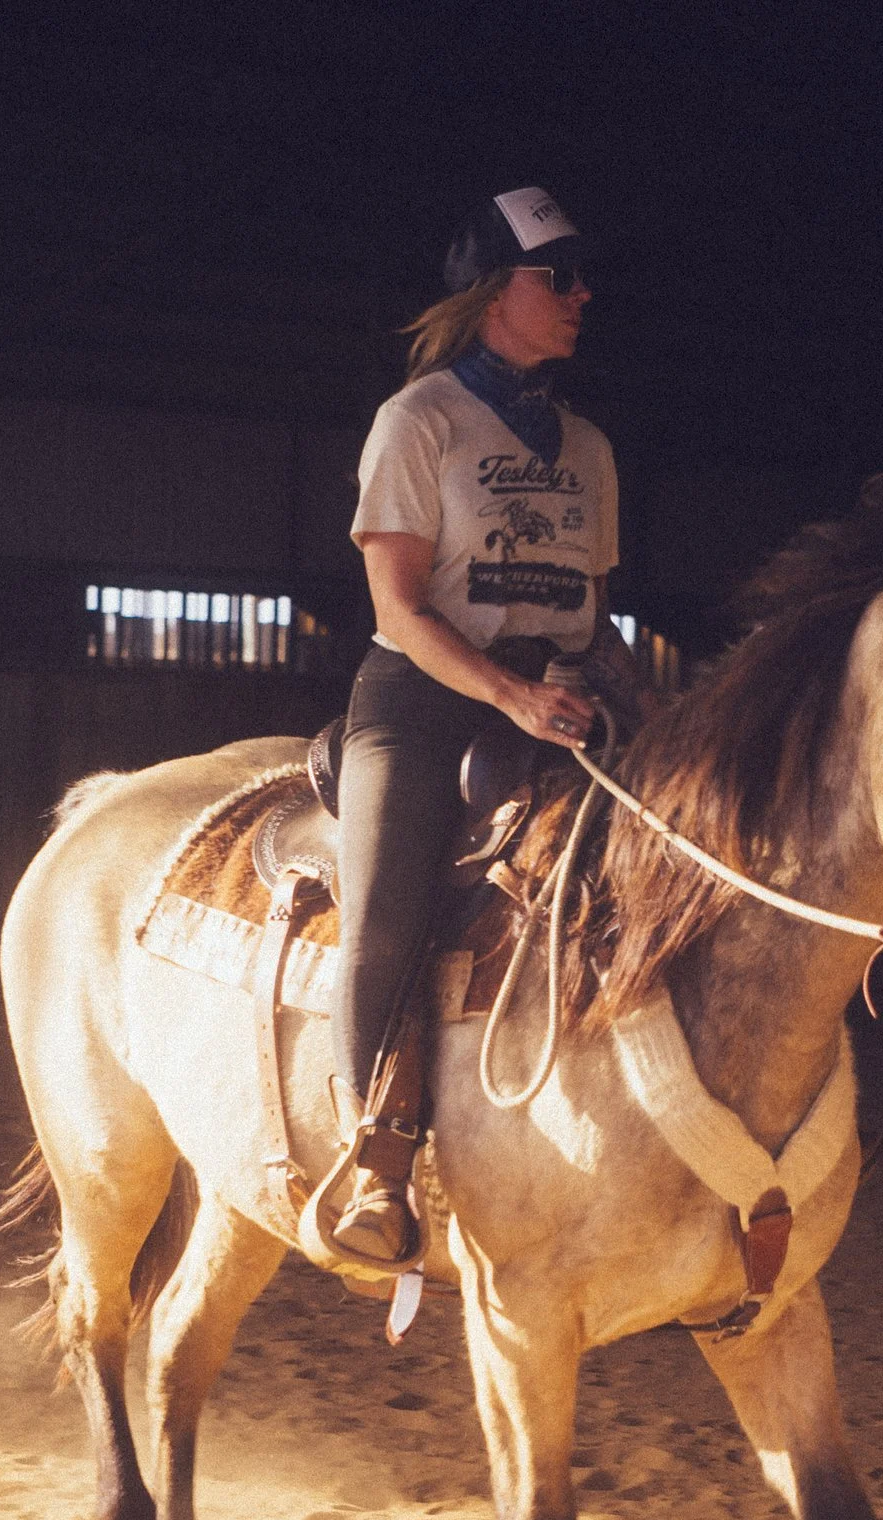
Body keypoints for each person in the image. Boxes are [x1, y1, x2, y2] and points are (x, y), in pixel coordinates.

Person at [324, 186, 621, 1266]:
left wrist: (635, 698)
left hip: (561, 688)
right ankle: (376, 1163)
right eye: (561, 276)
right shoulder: (419, 422)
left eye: (583, 276)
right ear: (497, 293)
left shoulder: (587, 445)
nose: (583, 293)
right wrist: (510, 696)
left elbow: (590, 602)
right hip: (424, 698)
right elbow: (398, 607)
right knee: (385, 918)